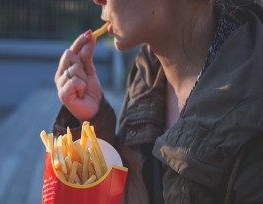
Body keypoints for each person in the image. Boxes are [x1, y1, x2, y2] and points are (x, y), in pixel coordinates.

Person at [52, 0, 263, 203]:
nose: (97, 0)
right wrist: (94, 120)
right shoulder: (147, 74)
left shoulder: (253, 110)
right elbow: (140, 190)